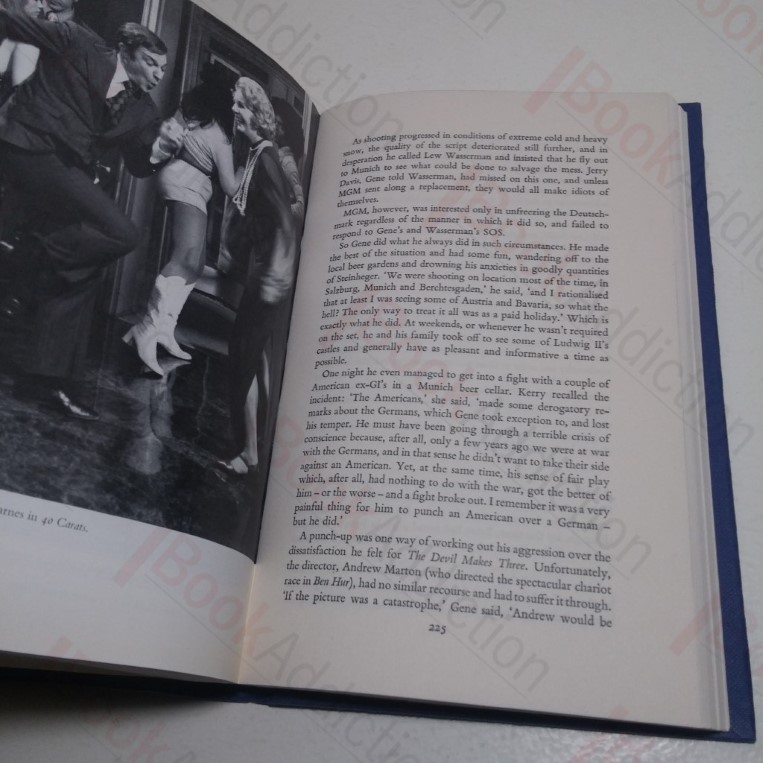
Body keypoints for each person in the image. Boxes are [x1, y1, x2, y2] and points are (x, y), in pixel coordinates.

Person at [0, 5, 184, 420]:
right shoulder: (77, 41)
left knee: (86, 271)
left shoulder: (144, 110)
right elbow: (10, 21)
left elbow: (139, 164)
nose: (157, 74)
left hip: (63, 171)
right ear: (125, 51)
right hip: (26, 143)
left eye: (162, 68)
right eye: (150, 63)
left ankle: (44, 378)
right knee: (123, 233)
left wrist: (162, 149)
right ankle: (37, 255)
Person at [124, 63, 241, 376]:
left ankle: (164, 328)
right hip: (190, 184)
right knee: (185, 257)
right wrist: (248, 172)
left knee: (195, 262)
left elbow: (166, 142)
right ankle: (147, 329)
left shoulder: (190, 113)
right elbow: (230, 186)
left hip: (177, 177)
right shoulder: (221, 135)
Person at [216, 77, 297, 475]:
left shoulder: (265, 160)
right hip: (264, 270)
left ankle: (248, 453)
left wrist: (277, 271)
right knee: (254, 357)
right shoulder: (257, 154)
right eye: (234, 105)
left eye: (242, 106)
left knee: (243, 358)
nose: (235, 111)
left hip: (269, 275)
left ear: (258, 114)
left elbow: (284, 219)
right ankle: (256, 446)